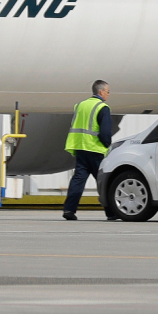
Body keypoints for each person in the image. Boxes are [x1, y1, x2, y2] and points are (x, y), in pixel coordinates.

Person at [63, 80, 113, 220]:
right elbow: (105, 133)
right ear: (101, 92)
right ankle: (111, 212)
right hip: (96, 150)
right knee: (105, 182)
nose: (108, 94)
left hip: (80, 147)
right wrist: (107, 145)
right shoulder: (103, 107)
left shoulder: (80, 105)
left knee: (78, 180)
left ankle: (69, 210)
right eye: (108, 92)